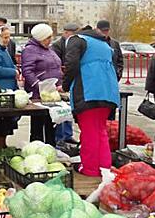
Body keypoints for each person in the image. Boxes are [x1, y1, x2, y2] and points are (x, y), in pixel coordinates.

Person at [62, 26, 120, 177]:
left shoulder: (77, 40)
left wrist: (64, 85)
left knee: (88, 133)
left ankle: (90, 169)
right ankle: (104, 168)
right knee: (100, 131)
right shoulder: (104, 44)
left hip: (88, 91)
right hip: (109, 93)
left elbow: (71, 64)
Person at [21, 24, 62, 146]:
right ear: (40, 37)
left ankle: (51, 146)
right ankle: (36, 147)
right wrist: (39, 85)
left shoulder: (49, 49)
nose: (50, 40)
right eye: (47, 38)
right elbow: (27, 71)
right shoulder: (29, 50)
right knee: (38, 124)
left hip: (51, 93)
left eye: (50, 37)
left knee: (51, 123)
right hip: (39, 94)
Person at [51, 23, 79, 145]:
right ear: (66, 33)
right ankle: (60, 136)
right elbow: (56, 61)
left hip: (69, 78)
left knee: (68, 108)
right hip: (60, 79)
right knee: (61, 109)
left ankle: (68, 135)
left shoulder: (74, 43)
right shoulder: (58, 45)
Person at [96, 20, 124, 121]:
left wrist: (117, 75)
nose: (105, 32)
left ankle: (111, 129)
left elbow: (120, 61)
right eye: (103, 30)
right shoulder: (94, 43)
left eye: (107, 30)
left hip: (112, 81)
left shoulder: (114, 44)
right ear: (97, 30)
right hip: (98, 81)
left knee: (111, 106)